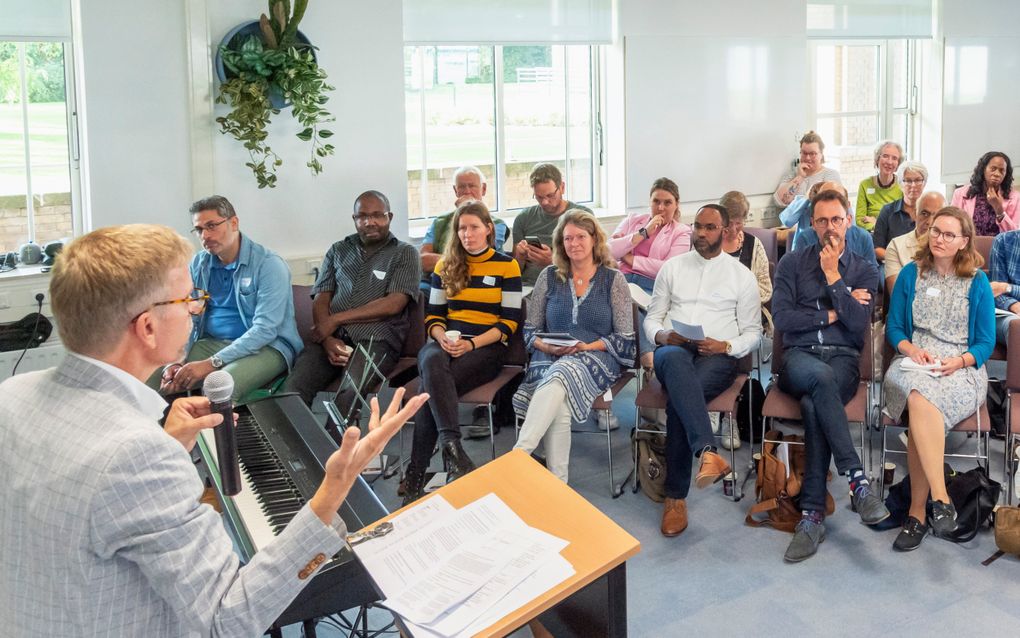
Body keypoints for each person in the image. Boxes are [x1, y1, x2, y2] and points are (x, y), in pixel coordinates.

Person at [0, 224, 427, 637]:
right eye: (187, 298)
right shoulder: (137, 456)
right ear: (147, 327)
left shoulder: (11, 396)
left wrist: (172, 443)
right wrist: (332, 492)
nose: (195, 308)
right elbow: (227, 620)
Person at [771, 189, 887, 563]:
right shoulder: (791, 264)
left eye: (836, 219)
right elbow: (784, 320)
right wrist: (834, 311)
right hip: (799, 358)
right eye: (821, 221)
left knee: (812, 403)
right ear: (812, 224)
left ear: (848, 220)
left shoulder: (865, 268)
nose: (829, 228)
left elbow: (859, 326)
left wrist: (834, 277)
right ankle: (857, 479)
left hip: (843, 360)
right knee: (817, 381)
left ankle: (811, 515)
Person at [644, 204, 762, 537]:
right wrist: (664, 335)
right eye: (697, 226)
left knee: (681, 401)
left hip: (718, 356)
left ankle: (676, 496)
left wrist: (725, 346)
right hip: (673, 351)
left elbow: (753, 333)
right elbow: (652, 319)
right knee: (677, 364)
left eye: (709, 228)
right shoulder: (672, 268)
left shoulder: (741, 275)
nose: (701, 233)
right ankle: (706, 455)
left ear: (724, 231)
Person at [884, 206, 994, 551]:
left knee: (920, 405)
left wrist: (958, 361)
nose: (940, 239)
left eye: (949, 234)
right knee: (918, 394)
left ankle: (918, 512)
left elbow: (985, 342)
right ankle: (941, 498)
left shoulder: (977, 281)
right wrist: (912, 350)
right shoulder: (910, 274)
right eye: (935, 231)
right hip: (914, 361)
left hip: (961, 368)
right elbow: (894, 329)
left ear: (964, 242)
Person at [404, 201, 523, 504]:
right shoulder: (446, 265)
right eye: (461, 229)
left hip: (487, 347)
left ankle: (415, 475)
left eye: (473, 227)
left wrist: (471, 344)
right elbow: (433, 317)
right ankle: (452, 448)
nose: (467, 234)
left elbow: (508, 323)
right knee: (430, 358)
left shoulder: (506, 265)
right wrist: (443, 338)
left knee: (429, 391)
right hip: (446, 344)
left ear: (488, 229)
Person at [511, 210, 635, 482]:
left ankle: (519, 455)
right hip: (549, 355)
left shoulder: (613, 280)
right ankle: (558, 484)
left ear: (594, 240)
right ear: (560, 243)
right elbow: (530, 331)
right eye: (568, 238)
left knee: (561, 374)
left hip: (598, 357)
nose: (574, 243)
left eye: (581, 236)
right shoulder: (548, 276)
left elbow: (625, 338)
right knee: (561, 403)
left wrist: (587, 346)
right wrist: (547, 345)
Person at [282, 191, 420, 433]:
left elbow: (394, 304)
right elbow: (321, 296)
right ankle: (297, 458)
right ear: (354, 219)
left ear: (390, 216)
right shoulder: (338, 250)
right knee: (291, 392)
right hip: (332, 339)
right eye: (362, 216)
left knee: (346, 400)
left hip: (377, 341)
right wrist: (326, 339)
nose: (370, 222)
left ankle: (332, 465)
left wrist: (335, 320)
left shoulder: (404, 253)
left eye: (378, 215)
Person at [157, 195, 303, 403]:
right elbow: (190, 317)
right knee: (158, 378)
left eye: (211, 226)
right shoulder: (199, 264)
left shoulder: (269, 265)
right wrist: (175, 362)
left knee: (218, 388)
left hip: (268, 347)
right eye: (199, 230)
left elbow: (265, 330)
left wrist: (212, 363)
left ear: (233, 223)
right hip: (212, 343)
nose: (205, 235)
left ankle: (222, 435)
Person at [608, 177, 692, 371]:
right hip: (622, 281)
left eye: (667, 202)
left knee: (629, 304)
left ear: (676, 204)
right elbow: (608, 250)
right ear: (650, 202)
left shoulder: (682, 232)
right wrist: (643, 233)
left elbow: (667, 268)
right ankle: (649, 358)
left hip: (653, 286)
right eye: (656, 201)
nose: (661, 208)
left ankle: (647, 358)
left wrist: (630, 259)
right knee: (626, 299)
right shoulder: (633, 221)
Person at [419, 166, 509, 292]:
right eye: (462, 187)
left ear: (483, 189)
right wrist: (460, 262)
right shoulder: (439, 222)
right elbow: (423, 260)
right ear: (455, 190)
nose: (467, 191)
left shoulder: (496, 224)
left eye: (472, 186)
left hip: (476, 280)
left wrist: (468, 210)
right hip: (438, 280)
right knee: (420, 292)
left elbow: (482, 258)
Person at [512, 163, 593, 288]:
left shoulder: (581, 216)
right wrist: (520, 256)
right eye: (539, 197)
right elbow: (514, 271)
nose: (545, 202)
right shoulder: (523, 218)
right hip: (530, 286)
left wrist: (552, 262)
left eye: (550, 195)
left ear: (562, 187)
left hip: (567, 285)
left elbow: (590, 264)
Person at [794, 181, 879, 270]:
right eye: (824, 200)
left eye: (838, 200)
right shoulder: (805, 238)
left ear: (848, 205)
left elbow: (872, 277)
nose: (830, 226)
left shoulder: (863, 237)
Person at [720, 190, 772, 305]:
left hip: (747, 309)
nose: (733, 229)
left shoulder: (754, 245)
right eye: (729, 223)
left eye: (738, 223)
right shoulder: (710, 243)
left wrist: (739, 297)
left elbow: (765, 290)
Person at [884, 191, 946, 291]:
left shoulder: (954, 246)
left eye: (936, 215)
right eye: (924, 214)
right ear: (915, 214)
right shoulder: (896, 246)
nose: (929, 222)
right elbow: (898, 294)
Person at [951, 151, 1020, 236]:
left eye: (1002, 171)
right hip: (967, 247)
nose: (997, 174)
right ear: (983, 169)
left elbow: (1014, 236)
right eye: (993, 169)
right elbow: (951, 226)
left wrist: (999, 209)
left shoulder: (1015, 197)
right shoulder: (960, 193)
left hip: (999, 248)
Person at [873, 161, 928, 262]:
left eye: (918, 180)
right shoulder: (888, 211)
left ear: (924, 183)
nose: (913, 185)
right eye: (908, 181)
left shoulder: (933, 211)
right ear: (900, 184)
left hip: (925, 264)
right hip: (894, 264)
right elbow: (877, 248)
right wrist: (898, 259)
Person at [773, 130, 842, 210]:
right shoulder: (792, 175)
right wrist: (800, 177)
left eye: (812, 154)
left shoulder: (830, 175)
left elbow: (832, 205)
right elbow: (778, 202)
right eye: (804, 153)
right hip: (793, 222)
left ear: (821, 154)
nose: (807, 158)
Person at [855, 140, 904, 232]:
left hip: (894, 236)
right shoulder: (865, 185)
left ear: (898, 164)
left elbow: (902, 222)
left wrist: (876, 222)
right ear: (877, 159)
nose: (889, 162)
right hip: (871, 234)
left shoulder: (903, 186)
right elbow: (859, 220)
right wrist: (880, 227)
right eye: (885, 156)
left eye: (894, 158)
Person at [988, 227, 1020, 345]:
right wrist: (1013, 305)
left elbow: (1001, 287)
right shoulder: (1003, 240)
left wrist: (1008, 288)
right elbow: (995, 290)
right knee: (1016, 327)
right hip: (1007, 313)